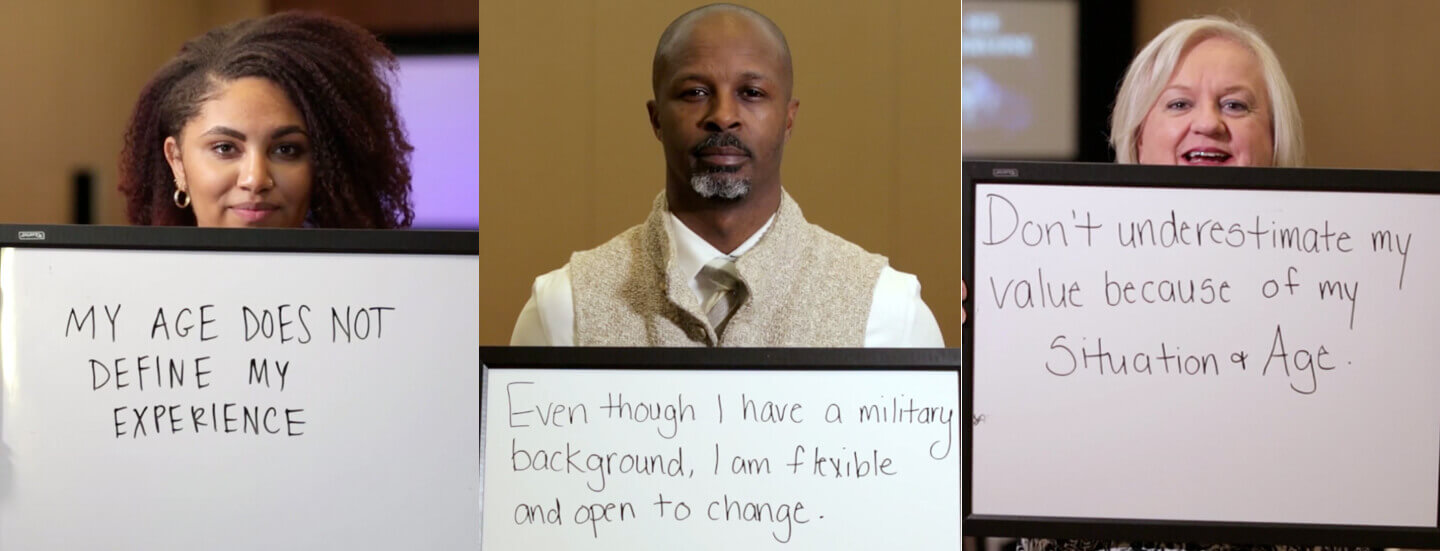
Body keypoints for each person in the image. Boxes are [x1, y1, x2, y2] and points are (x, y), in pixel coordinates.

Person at [1019, 17, 1348, 551]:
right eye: (1177, 104)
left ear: (1274, 136)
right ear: (1138, 135)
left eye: (1236, 105)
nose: (1209, 124)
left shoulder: (1343, 295)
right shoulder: (1057, 289)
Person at [510, 3, 943, 347]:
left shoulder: (887, 310)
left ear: (788, 119)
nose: (723, 116)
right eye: (695, 92)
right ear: (656, 119)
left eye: (751, 93)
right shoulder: (562, 307)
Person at [119, 11, 414, 228]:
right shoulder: (129, 300)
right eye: (225, 148)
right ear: (177, 162)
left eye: (286, 150)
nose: (256, 179)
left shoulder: (371, 300)